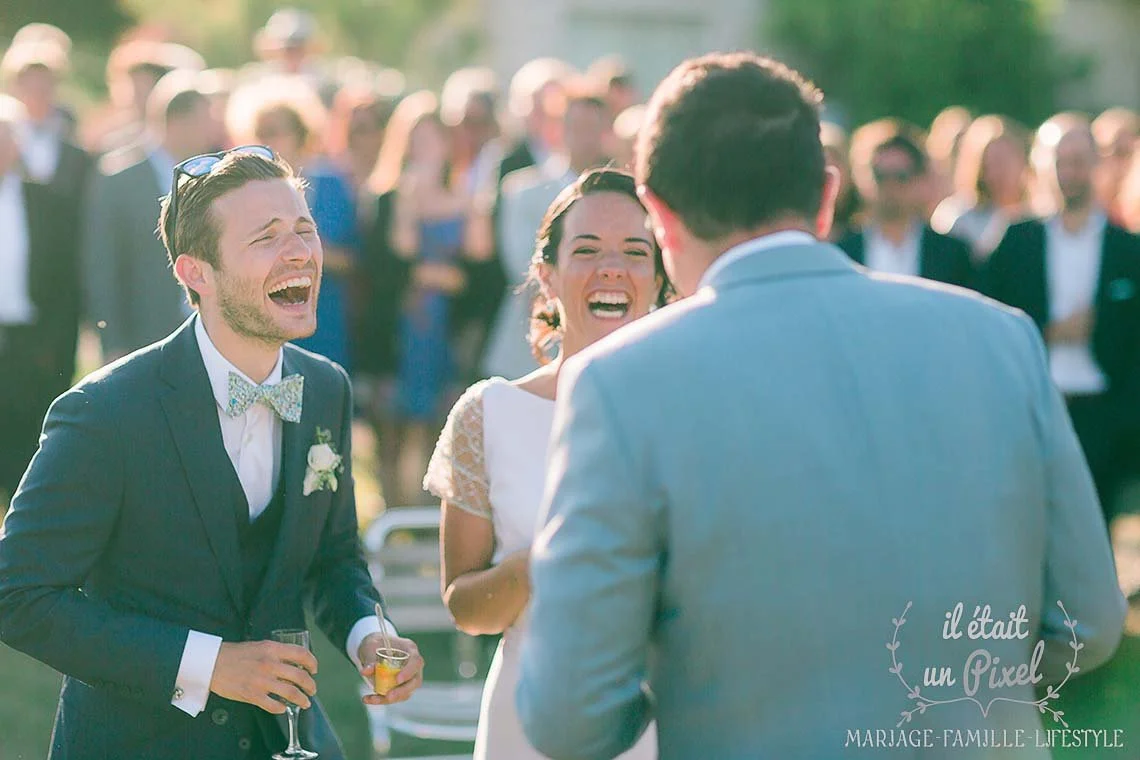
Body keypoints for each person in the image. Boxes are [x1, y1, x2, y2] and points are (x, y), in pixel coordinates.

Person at [516, 53, 1125, 759]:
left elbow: (568, 715)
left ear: (657, 213)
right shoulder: (1000, 339)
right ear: (829, 195)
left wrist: (700, 694)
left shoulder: (619, 382)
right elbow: (1090, 618)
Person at [0, 147, 424, 759]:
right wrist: (210, 664)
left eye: (304, 228)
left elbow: (333, 556)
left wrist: (367, 633)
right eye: (266, 237)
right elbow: (20, 596)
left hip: (288, 739)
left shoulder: (326, 386)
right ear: (196, 272)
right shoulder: (105, 412)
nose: (301, 251)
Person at [425, 168, 667, 760]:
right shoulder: (490, 412)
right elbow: (465, 606)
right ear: (547, 275)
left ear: (661, 278)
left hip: (675, 726)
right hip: (531, 728)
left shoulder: (706, 408)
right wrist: (543, 562)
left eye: (636, 252)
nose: (612, 267)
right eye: (587, 250)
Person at [983, 112, 1140, 522]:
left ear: (1097, 164)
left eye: (1079, 159)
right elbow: (991, 319)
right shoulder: (1017, 239)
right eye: (1060, 160)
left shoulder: (1128, 249)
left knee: (1095, 528)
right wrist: (1051, 331)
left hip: (1101, 409)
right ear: (1042, 165)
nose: (1070, 171)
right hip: (1035, 404)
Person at [83, 70, 216, 363]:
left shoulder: (214, 177)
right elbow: (102, 266)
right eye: (206, 120)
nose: (212, 132)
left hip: (208, 335)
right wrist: (113, 342)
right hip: (143, 337)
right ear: (178, 122)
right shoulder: (118, 178)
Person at [0, 97, 79, 503]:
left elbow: (67, 284)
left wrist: (53, 348)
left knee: (26, 457)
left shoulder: (46, 202)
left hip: (32, 345)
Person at [838, 121, 975, 289]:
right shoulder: (841, 253)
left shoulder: (952, 254)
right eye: (880, 176)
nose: (890, 186)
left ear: (919, 180)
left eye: (901, 176)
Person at [933, 114, 1032, 262]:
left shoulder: (1037, 215)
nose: (999, 172)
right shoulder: (959, 217)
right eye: (991, 164)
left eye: (1005, 162)